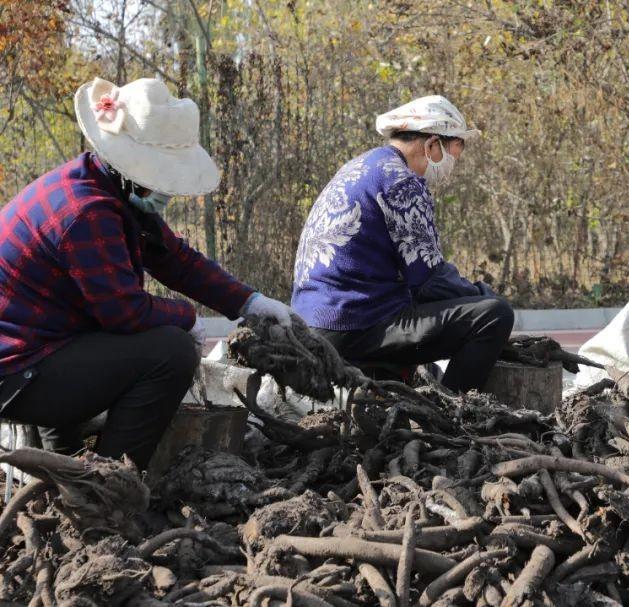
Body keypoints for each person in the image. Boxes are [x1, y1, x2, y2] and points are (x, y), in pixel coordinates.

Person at [0, 77, 293, 469]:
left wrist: (249, 301)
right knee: (168, 352)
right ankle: (106, 486)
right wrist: (186, 318)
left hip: (37, 348)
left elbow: (174, 259)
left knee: (117, 339)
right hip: (17, 372)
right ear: (130, 167)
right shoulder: (89, 213)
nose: (166, 189)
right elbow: (125, 313)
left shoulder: (102, 185)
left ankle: (66, 467)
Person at [291, 95, 514, 392]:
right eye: (453, 152)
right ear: (432, 145)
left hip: (312, 322)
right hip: (349, 327)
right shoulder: (402, 181)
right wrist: (479, 295)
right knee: (493, 315)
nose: (452, 166)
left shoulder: (361, 166)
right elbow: (431, 280)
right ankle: (452, 420)